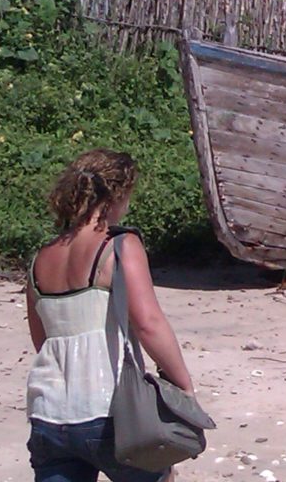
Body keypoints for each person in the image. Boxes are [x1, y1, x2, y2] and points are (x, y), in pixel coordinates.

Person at [25, 150, 196, 482]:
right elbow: (148, 323)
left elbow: (42, 341)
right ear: (116, 194)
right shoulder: (119, 246)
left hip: (48, 414)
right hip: (108, 411)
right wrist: (184, 385)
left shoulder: (40, 259)